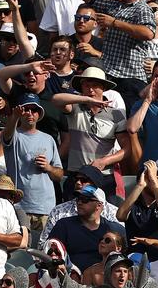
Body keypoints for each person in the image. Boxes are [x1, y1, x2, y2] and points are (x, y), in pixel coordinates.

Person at [69, 0, 156, 112]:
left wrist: (115, 22)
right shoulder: (115, 5)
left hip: (130, 79)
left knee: (128, 125)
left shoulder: (143, 9)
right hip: (108, 75)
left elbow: (148, 33)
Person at [51, 67, 129, 199]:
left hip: (103, 176)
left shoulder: (116, 113)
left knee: (104, 215)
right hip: (77, 176)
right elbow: (55, 99)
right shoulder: (74, 108)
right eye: (86, 86)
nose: (90, 90)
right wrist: (87, 100)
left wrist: (105, 161)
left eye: (95, 85)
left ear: (103, 88)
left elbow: (127, 148)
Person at [2, 93, 63, 239]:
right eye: (26, 109)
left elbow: (59, 174)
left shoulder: (48, 139)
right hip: (20, 205)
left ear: (39, 114)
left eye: (34, 110)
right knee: (22, 249)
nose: (30, 113)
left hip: (45, 206)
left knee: (44, 249)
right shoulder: (15, 134)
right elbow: (7, 135)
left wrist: (48, 167)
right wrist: (14, 117)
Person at [39, 164, 122, 245]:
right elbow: (44, 244)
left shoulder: (113, 213)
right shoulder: (59, 211)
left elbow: (121, 243)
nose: (78, 183)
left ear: (96, 185)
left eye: (84, 180)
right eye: (76, 180)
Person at [48, 185, 126, 270]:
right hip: (70, 277)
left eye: (85, 200)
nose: (79, 202)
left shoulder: (114, 230)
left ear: (99, 205)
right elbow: (51, 253)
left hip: (103, 278)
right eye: (78, 199)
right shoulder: (64, 225)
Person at [116, 161, 158, 261]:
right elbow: (120, 216)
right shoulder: (132, 204)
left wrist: (153, 180)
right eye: (153, 178)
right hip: (136, 261)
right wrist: (140, 186)